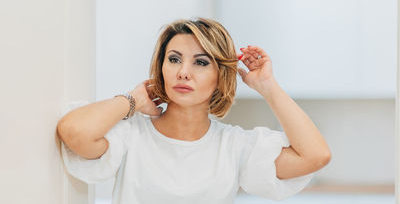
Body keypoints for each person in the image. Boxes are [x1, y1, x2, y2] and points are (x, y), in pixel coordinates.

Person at [56, 17, 331, 204]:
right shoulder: (131, 136)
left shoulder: (234, 146)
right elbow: (74, 131)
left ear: (220, 75)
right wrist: (133, 100)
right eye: (174, 59)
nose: (183, 73)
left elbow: (315, 156)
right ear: (161, 68)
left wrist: (267, 86)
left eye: (200, 63)